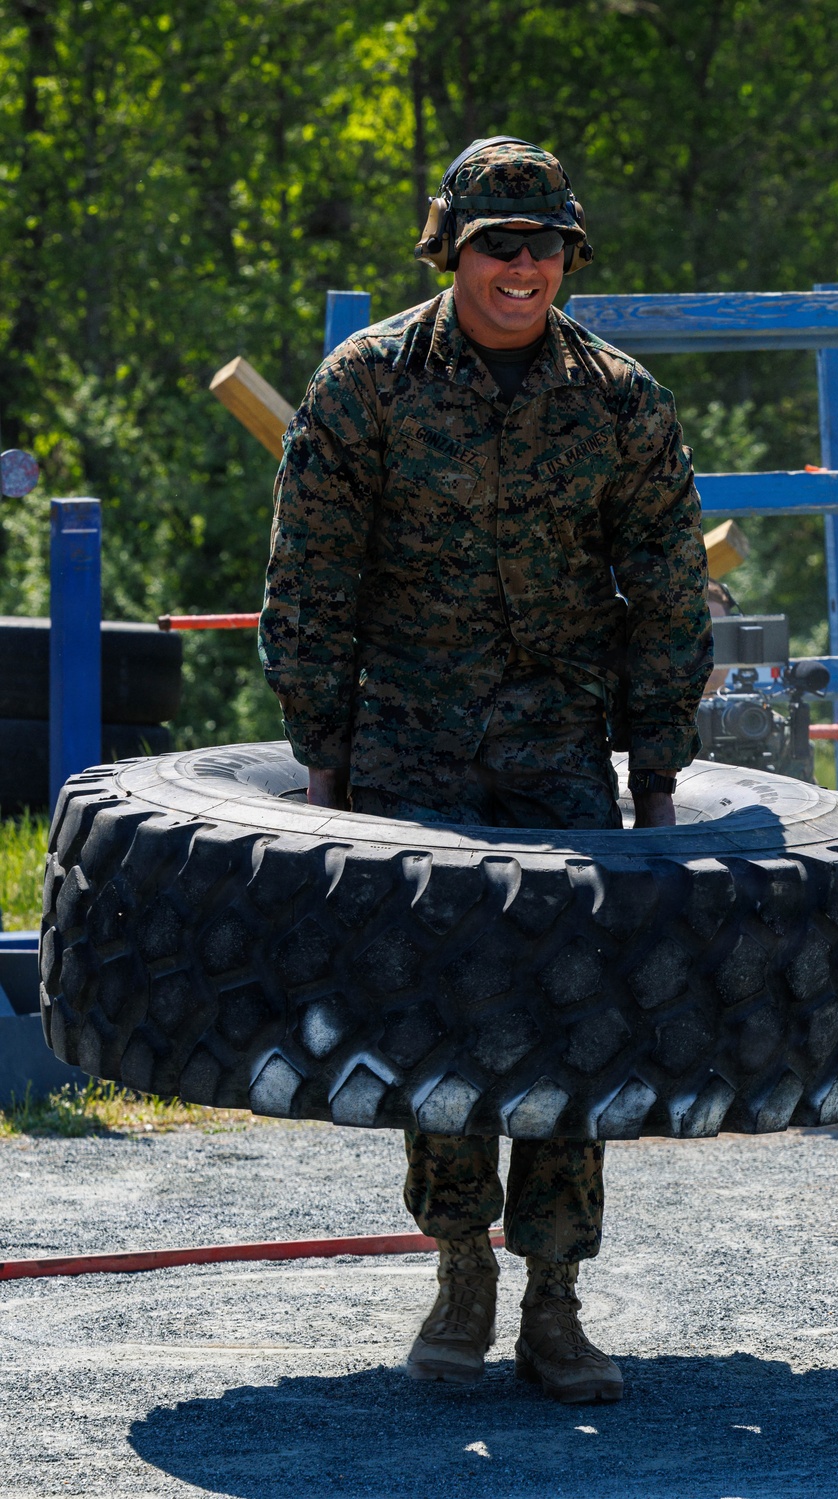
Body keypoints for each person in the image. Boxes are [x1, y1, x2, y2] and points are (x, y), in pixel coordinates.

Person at [259, 137, 712, 1404]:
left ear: (570, 253)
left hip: (558, 754)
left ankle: (556, 1298)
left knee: (571, 1017)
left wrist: (657, 775)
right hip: (412, 743)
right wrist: (323, 761)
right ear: (449, 249)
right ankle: (461, 1266)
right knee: (442, 1015)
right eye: (497, 244)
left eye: (545, 244)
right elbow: (311, 577)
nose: (523, 268)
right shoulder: (367, 387)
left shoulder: (620, 401)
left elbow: (667, 591)